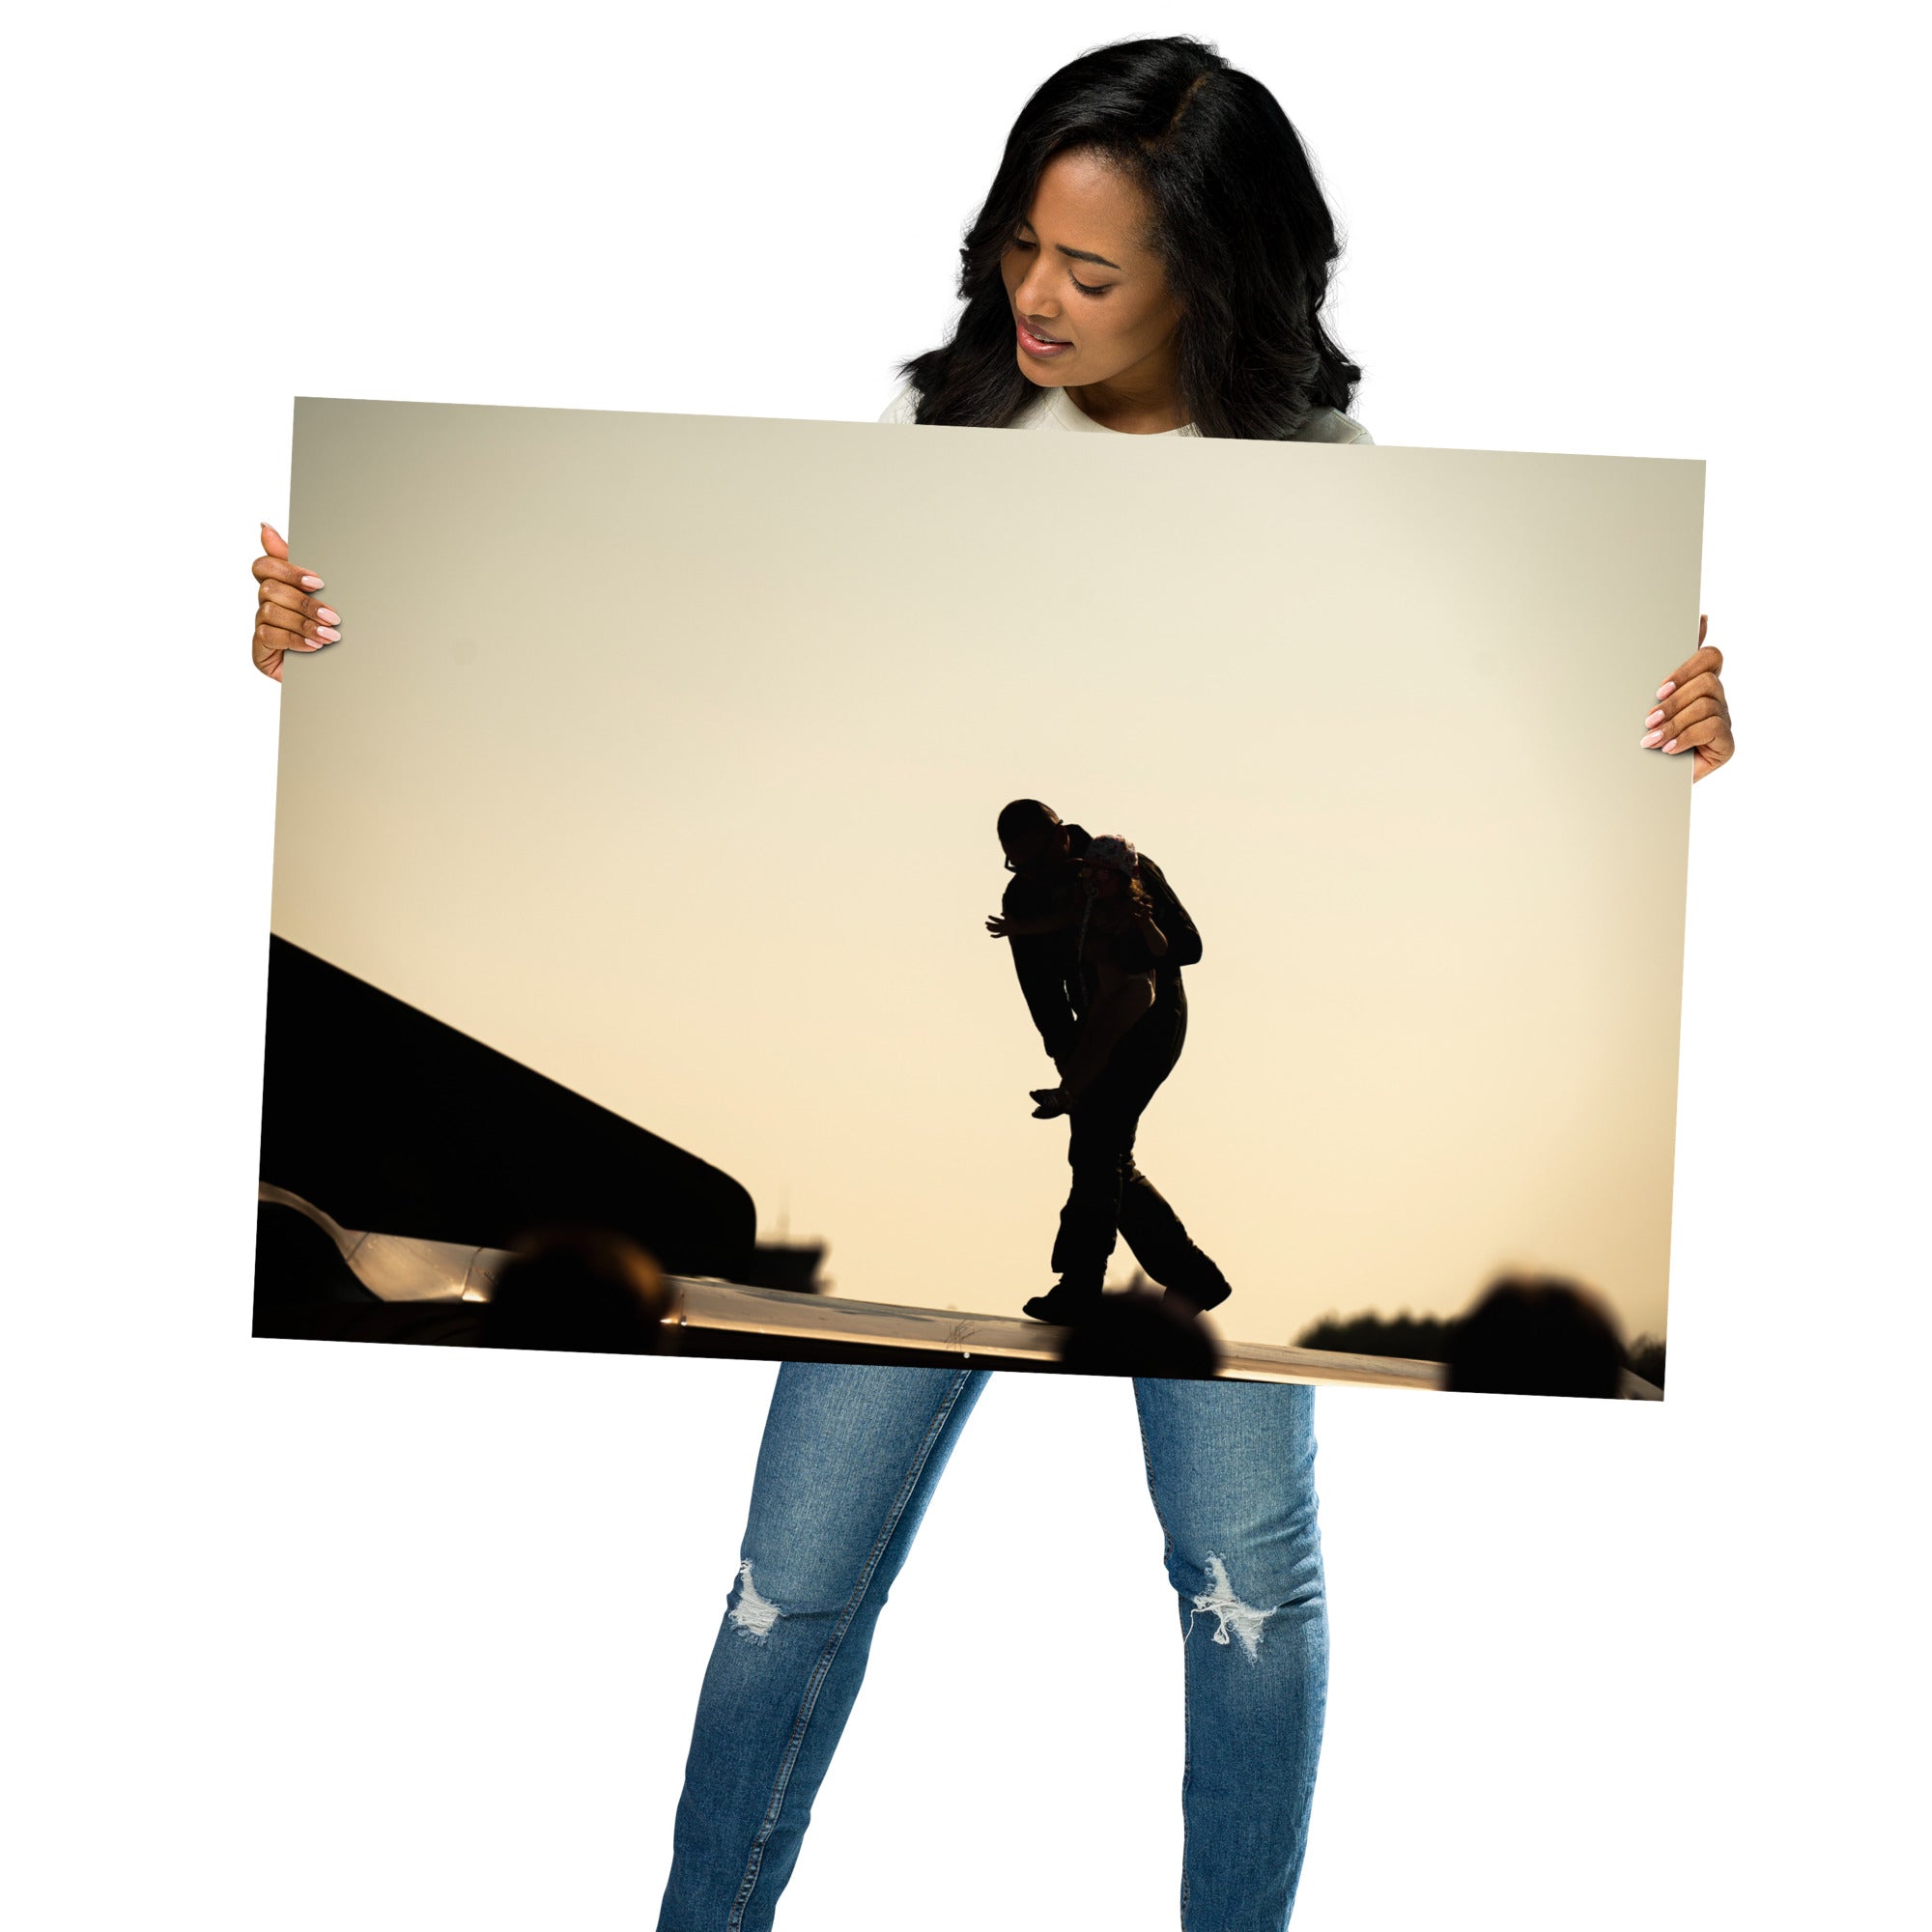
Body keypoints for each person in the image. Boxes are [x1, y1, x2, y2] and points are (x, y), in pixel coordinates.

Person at [246, 37, 1735, 1931]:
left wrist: (1674, 731)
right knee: (789, 1578)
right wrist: (327, 641)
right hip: (902, 1122)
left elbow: (1449, 789)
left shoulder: (1338, 493)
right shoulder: (936, 436)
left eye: (1090, 271)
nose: (1034, 297)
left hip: (1243, 1090)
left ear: (1216, 271)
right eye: (1019, 244)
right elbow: (767, 715)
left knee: (1243, 1578)